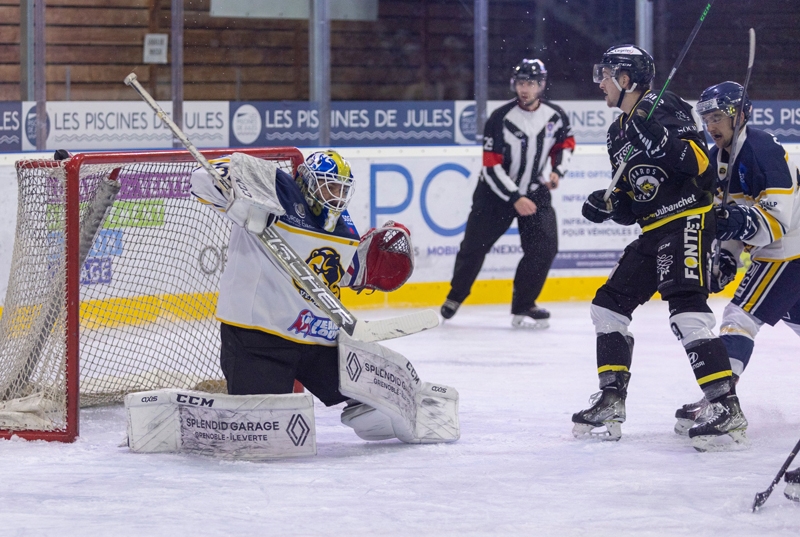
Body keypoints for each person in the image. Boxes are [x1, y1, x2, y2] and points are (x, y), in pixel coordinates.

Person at [571, 45, 746, 452]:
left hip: (688, 218)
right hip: (653, 230)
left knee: (685, 307)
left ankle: (726, 405)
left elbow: (698, 163)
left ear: (626, 79)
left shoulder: (662, 105)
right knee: (607, 306)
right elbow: (634, 204)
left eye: (606, 74)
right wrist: (609, 206)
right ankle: (612, 400)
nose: (600, 82)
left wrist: (659, 138)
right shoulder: (616, 133)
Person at [672, 82, 800, 435]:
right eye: (706, 118)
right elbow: (733, 219)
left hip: (790, 247)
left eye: (718, 117)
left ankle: (720, 403)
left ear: (740, 115)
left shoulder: (762, 150)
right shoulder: (717, 159)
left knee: (739, 317)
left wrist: (736, 222)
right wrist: (727, 256)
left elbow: (775, 223)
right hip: (784, 247)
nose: (711, 126)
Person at [440, 58, 575, 329]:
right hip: (495, 194)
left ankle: (524, 303)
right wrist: (515, 198)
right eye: (521, 83)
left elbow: (566, 144)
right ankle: (455, 296)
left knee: (545, 248)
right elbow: (491, 167)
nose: (525, 89)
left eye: (532, 83)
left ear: (542, 85)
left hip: (535, 191)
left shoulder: (556, 115)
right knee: (474, 247)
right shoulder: (500, 118)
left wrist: (558, 171)